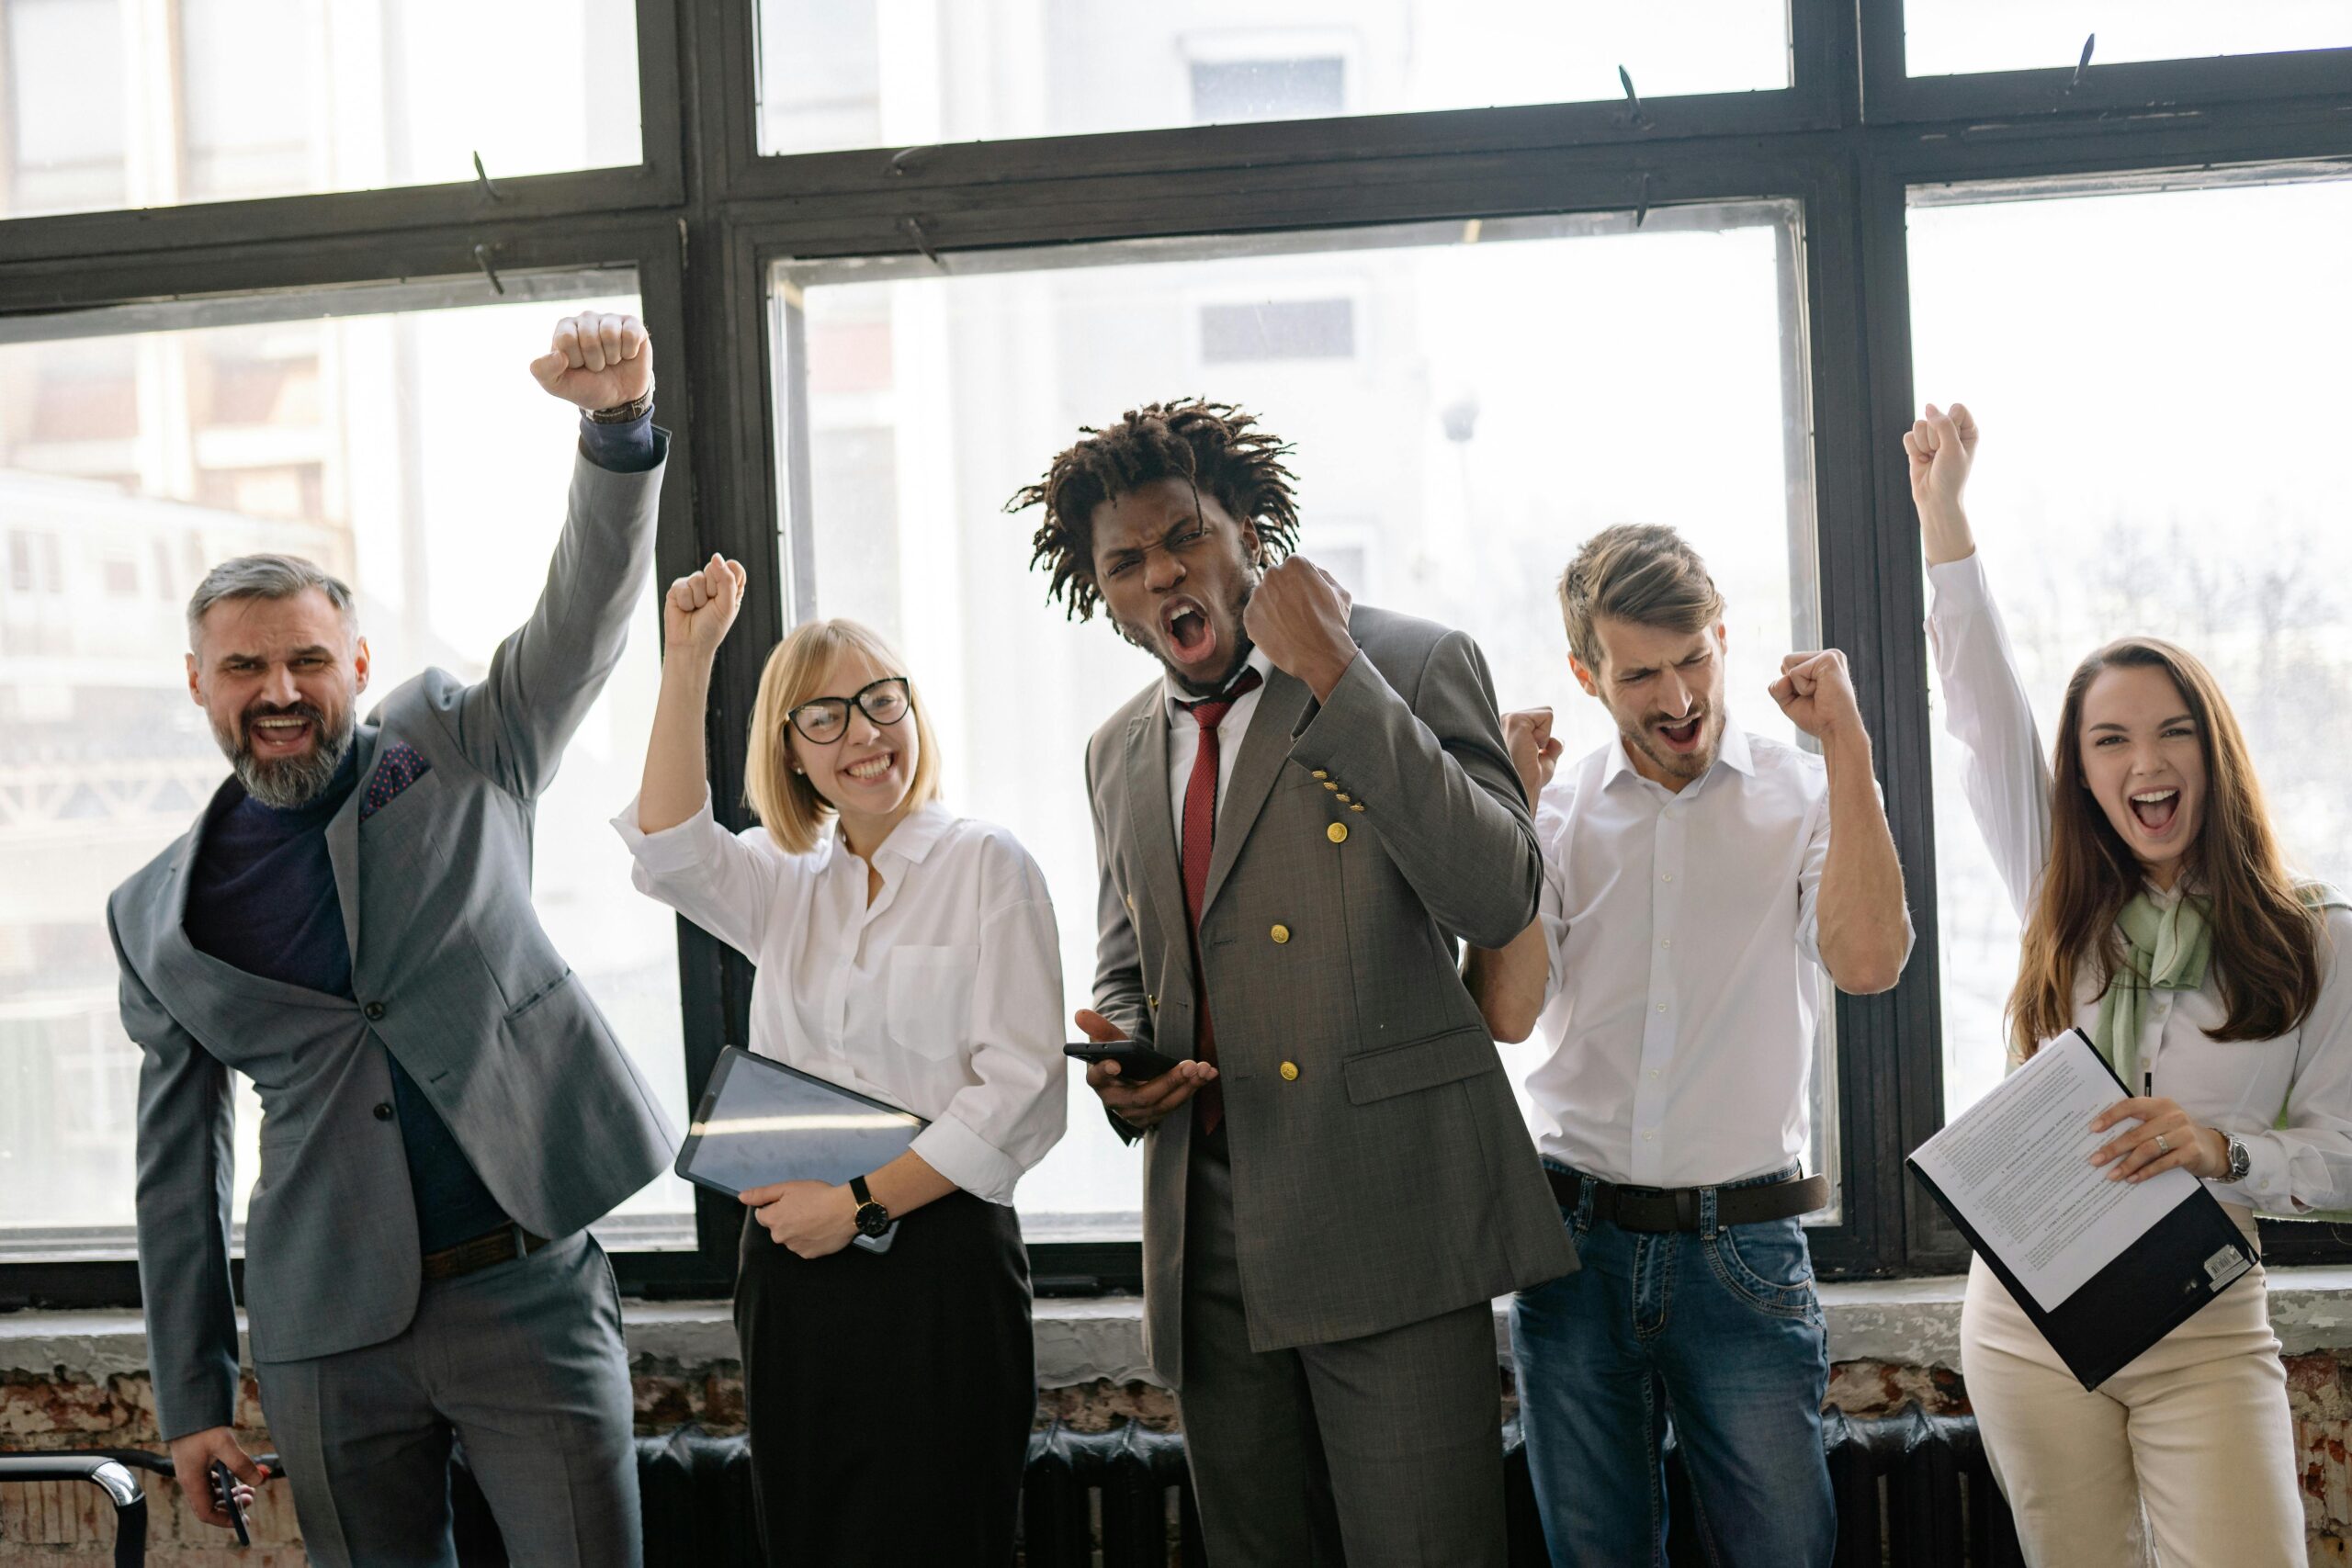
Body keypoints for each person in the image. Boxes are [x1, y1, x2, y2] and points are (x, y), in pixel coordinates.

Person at [107, 312, 674, 1566]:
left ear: (356, 661)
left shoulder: (459, 741)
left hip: (527, 1280)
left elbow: (580, 621)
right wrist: (193, 1402)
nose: (279, 689)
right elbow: (175, 1173)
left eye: (308, 658)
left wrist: (617, 430)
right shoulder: (155, 911)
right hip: (327, 1331)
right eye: (244, 665)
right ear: (198, 683)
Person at [1006, 399, 1575, 1566]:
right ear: (1100, 592)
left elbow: (1498, 893)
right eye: (1127, 561)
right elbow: (1135, 961)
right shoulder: (1116, 749)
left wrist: (1333, 668)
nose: (1164, 572)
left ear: (1249, 531)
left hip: (1390, 1215)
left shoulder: (1409, 661)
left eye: (1186, 537)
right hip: (1207, 1236)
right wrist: (1128, 1072)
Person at [1914, 400, 2347, 1565]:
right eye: (2108, 741)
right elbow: (1979, 707)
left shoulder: (2312, 937)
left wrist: (2221, 1148)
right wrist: (1943, 520)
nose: (2143, 763)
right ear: (2081, 771)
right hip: (2027, 1320)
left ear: (2214, 750)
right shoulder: (2054, 889)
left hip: (2202, 1318)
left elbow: (2349, 1152)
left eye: (2170, 734)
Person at [1463, 523, 1911, 1567]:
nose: (1677, 700)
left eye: (1696, 660)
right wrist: (1510, 819)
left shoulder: (1805, 792)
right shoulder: (1558, 812)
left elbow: (1868, 963)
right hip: (1571, 1250)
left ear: (1723, 638)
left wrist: (1846, 743)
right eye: (1641, 675)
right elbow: (1509, 1014)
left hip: (1745, 1253)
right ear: (1586, 674)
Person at [613, 559, 1065, 1566]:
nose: (864, 734)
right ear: (793, 752)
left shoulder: (988, 865)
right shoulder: (786, 884)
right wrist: (687, 659)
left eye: (880, 701)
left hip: (940, 1265)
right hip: (795, 1271)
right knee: (814, 1536)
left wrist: (858, 1204)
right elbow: (669, 847)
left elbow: (1019, 1093)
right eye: (825, 718)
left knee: (950, 1535)